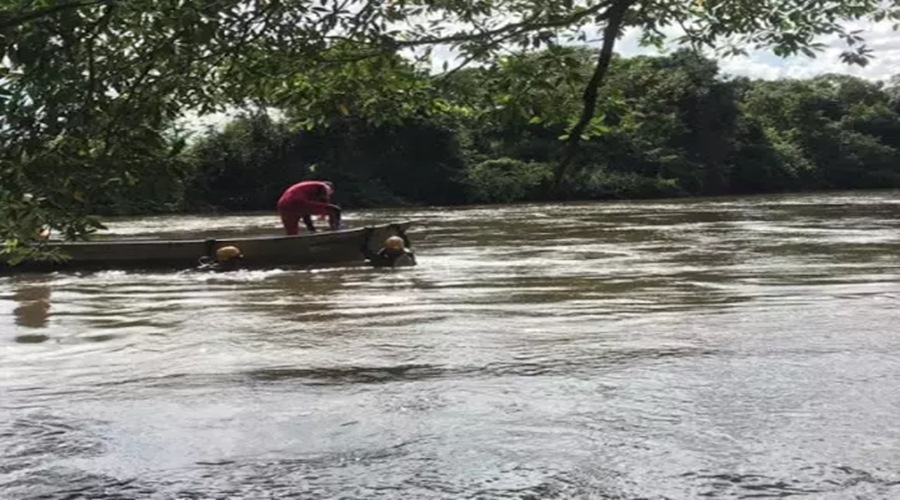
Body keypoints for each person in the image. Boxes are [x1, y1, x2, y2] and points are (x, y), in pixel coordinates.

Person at [277, 180, 342, 235]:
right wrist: (324, 213)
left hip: (283, 205)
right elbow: (324, 201)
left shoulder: (308, 188)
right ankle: (335, 232)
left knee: (292, 233)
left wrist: (312, 229)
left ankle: (294, 243)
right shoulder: (324, 186)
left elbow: (306, 215)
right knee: (335, 210)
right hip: (297, 201)